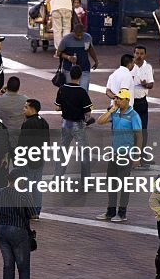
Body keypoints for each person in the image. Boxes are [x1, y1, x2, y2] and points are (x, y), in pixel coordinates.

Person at [0, 169, 38, 279]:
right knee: (23, 266)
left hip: (2, 230)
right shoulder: (24, 194)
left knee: (8, 265)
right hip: (18, 231)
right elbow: (33, 215)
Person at [96, 89, 143, 222]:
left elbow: (139, 136)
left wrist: (137, 156)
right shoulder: (115, 112)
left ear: (127, 100)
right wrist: (111, 110)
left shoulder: (133, 116)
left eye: (120, 99)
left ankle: (122, 213)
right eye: (116, 98)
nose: (117, 100)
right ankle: (110, 212)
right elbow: (100, 121)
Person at [56, 65, 94, 179]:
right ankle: (86, 180)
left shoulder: (62, 89)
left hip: (65, 123)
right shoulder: (81, 92)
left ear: (69, 75)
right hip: (78, 124)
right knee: (84, 153)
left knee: (63, 151)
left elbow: (57, 107)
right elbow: (88, 112)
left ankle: (57, 177)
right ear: (80, 77)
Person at [58, 22, 98, 91]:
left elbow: (89, 49)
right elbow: (59, 53)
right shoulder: (66, 39)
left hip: (84, 68)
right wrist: (68, 57)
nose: (80, 37)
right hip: (69, 69)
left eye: (81, 35)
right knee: (70, 90)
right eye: (77, 35)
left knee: (83, 90)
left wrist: (96, 60)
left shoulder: (87, 38)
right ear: (73, 32)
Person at [131, 45, 154, 160]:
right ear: (134, 54)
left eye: (141, 54)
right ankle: (131, 154)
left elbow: (151, 84)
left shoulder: (148, 67)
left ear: (145, 55)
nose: (139, 56)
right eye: (137, 53)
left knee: (143, 129)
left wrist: (146, 84)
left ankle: (142, 154)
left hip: (142, 102)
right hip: (130, 103)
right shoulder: (129, 67)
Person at [0, 76, 27, 146]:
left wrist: (1, 91)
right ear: (18, 88)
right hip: (19, 131)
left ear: (7, 87)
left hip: (3, 130)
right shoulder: (25, 100)